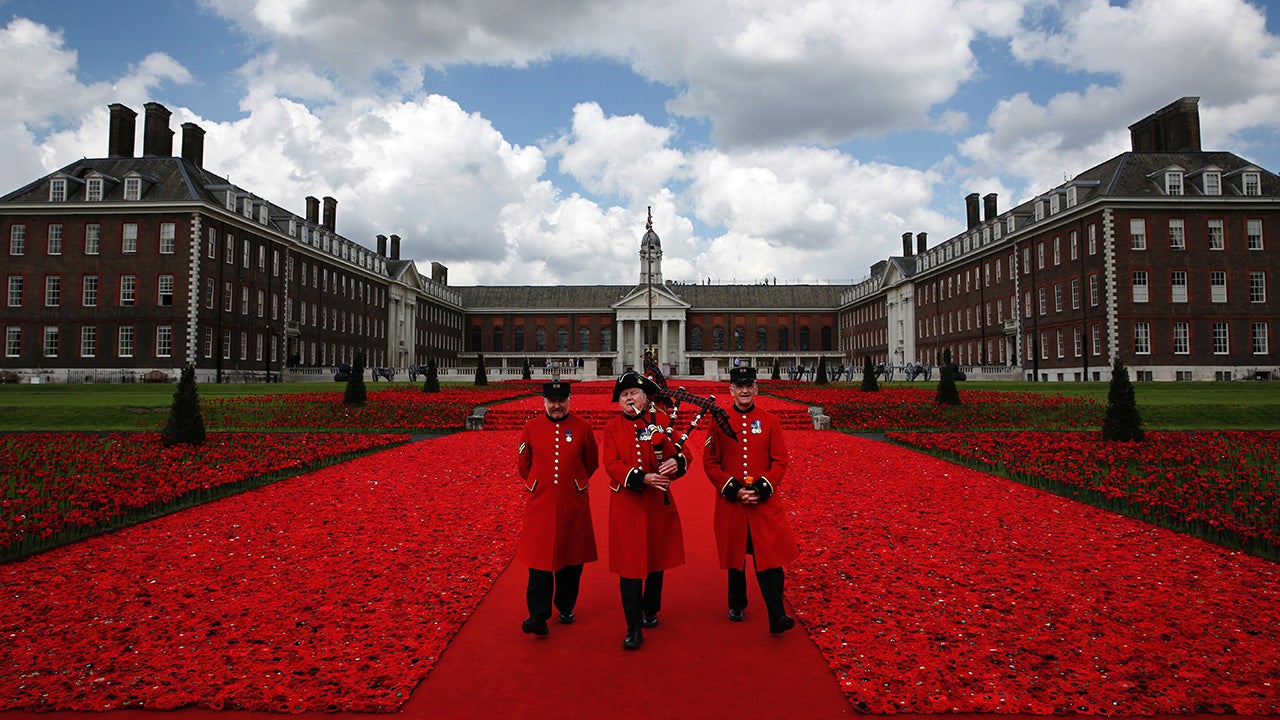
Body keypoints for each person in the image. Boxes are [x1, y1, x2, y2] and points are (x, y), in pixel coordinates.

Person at [702, 366, 799, 634]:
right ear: (731, 390)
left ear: (756, 389)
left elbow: (780, 461)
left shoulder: (770, 421)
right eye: (739, 387)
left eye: (749, 386)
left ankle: (777, 615)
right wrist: (733, 489)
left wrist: (761, 488)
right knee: (736, 557)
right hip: (732, 501)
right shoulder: (719, 421)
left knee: (770, 556)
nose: (744, 391)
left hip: (762, 502)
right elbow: (711, 462)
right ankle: (737, 603)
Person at [601, 371, 689, 650]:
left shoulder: (660, 421)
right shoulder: (612, 428)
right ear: (619, 401)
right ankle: (633, 627)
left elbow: (685, 453)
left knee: (655, 559)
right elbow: (611, 464)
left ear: (645, 398)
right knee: (629, 565)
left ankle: (650, 609)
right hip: (627, 504)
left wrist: (677, 462)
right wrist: (643, 478)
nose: (629, 399)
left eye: (634, 394)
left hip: (656, 504)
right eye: (625, 395)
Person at [515, 380, 600, 637]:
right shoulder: (531, 427)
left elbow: (591, 462)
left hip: (572, 501)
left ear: (569, 400)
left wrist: (573, 482)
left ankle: (565, 606)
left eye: (561, 401)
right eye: (551, 401)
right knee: (539, 560)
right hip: (541, 502)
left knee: (571, 558)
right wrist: (541, 483)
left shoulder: (583, 428)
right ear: (544, 402)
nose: (556, 406)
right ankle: (538, 616)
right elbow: (524, 465)